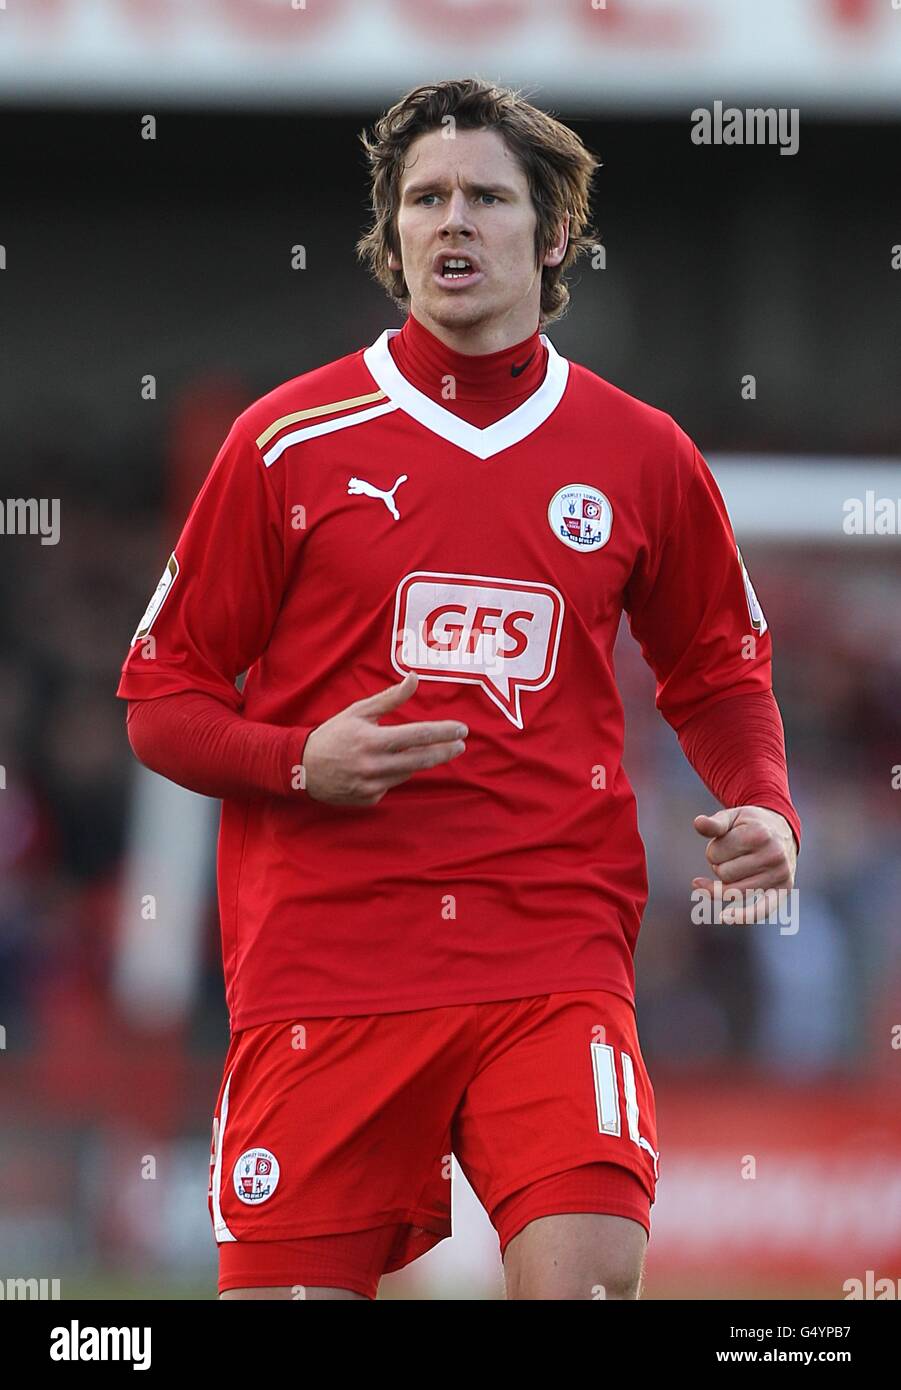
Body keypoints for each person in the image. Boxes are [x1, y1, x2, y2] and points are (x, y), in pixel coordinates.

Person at [116, 78, 800, 1301]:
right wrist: (295, 762)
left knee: (588, 1282)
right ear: (392, 238)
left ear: (550, 236)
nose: (452, 223)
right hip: (327, 966)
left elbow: (716, 665)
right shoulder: (284, 441)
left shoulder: (641, 453)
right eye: (424, 199)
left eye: (486, 197)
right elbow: (159, 698)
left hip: (551, 950)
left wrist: (760, 798)